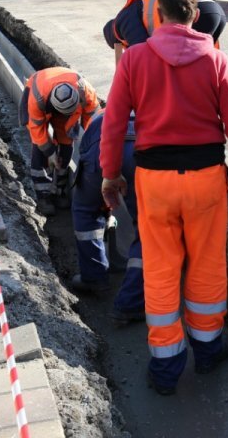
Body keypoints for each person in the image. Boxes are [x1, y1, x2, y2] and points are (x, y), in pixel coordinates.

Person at [100, 0, 228, 396]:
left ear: (160, 16)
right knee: (206, 266)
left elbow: (114, 124)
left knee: (160, 269)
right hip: (206, 180)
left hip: (153, 183)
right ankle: (208, 352)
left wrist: (109, 174)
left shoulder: (134, 59)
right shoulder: (216, 60)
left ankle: (166, 368)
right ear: (194, 15)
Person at [68, 110, 146, 327]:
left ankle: (94, 278)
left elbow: (87, 163)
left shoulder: (99, 115)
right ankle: (130, 303)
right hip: (142, 154)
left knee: (85, 210)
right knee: (147, 229)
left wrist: (104, 207)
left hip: (100, 151)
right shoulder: (155, 108)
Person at [20, 67, 100, 215]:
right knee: (40, 149)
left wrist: (93, 148)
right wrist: (50, 152)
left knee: (66, 145)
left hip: (65, 105)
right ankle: (44, 196)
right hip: (38, 88)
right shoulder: (37, 98)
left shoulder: (86, 93)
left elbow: (94, 124)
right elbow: (37, 130)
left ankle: (60, 190)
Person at [102, 0, 227, 64]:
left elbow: (146, 57)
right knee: (202, 68)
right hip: (212, 8)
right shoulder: (132, 9)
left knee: (186, 69)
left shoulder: (124, 23)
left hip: (199, 12)